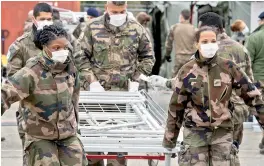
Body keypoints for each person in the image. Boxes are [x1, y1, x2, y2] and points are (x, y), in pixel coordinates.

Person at [150, 12, 254, 155]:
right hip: (236, 114)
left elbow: (191, 82)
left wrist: (165, 83)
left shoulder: (207, 50)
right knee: (228, 155)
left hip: (211, 115)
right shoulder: (241, 49)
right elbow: (249, 83)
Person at [162, 26, 264, 166]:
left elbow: (252, 96)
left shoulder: (228, 67)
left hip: (222, 132)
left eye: (213, 41)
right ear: (196, 44)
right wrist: (170, 138)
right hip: (195, 133)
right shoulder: (187, 70)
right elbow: (176, 106)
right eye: (204, 42)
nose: (209, 45)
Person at [76, 1, 155, 165]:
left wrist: (136, 79)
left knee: (117, 150)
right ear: (106, 9)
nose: (118, 15)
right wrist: (92, 81)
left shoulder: (136, 29)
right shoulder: (92, 28)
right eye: (114, 11)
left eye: (122, 11)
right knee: (92, 150)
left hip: (122, 98)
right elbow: (79, 56)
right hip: (95, 97)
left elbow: (148, 57)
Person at [6, 3, 83, 165]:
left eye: (65, 48)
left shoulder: (70, 66)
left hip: (67, 133)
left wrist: (75, 125)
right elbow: (8, 89)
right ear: (45, 48)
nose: (62, 51)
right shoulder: (31, 69)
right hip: (39, 131)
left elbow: (74, 97)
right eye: (56, 48)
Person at [246, 11, 264, 154]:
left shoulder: (254, 37)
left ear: (261, 21)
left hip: (259, 80)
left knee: (260, 111)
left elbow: (247, 61)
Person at [164, 9, 197, 77]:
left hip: (179, 58)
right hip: (191, 58)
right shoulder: (194, 29)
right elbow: (198, 45)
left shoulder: (174, 28)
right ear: (189, 17)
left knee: (175, 78)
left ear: (181, 16)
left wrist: (167, 54)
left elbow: (168, 44)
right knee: (190, 78)